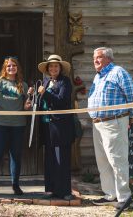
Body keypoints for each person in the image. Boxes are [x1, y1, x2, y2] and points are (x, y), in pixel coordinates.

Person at [88, 47, 133, 210]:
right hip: (98, 123)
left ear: (108, 58)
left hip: (114, 121)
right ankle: (111, 195)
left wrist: (130, 117)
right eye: (94, 57)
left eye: (99, 57)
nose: (95, 60)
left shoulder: (118, 72)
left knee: (118, 160)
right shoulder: (98, 76)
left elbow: (132, 96)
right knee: (103, 162)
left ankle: (124, 198)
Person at [0, 56, 30, 197]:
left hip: (18, 125)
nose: (11, 68)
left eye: (14, 66)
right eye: (8, 66)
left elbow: (26, 107)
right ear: (5, 68)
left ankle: (15, 185)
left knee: (16, 156)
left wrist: (28, 103)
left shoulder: (23, 85)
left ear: (17, 68)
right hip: (0, 124)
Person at [37, 54, 75, 201]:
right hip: (47, 126)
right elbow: (42, 102)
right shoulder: (45, 81)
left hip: (61, 127)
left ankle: (65, 191)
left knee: (62, 159)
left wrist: (44, 93)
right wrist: (34, 95)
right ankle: (52, 189)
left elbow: (61, 101)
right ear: (47, 69)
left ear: (60, 68)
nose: (53, 68)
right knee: (50, 159)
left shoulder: (65, 82)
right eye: (50, 66)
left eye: (56, 66)